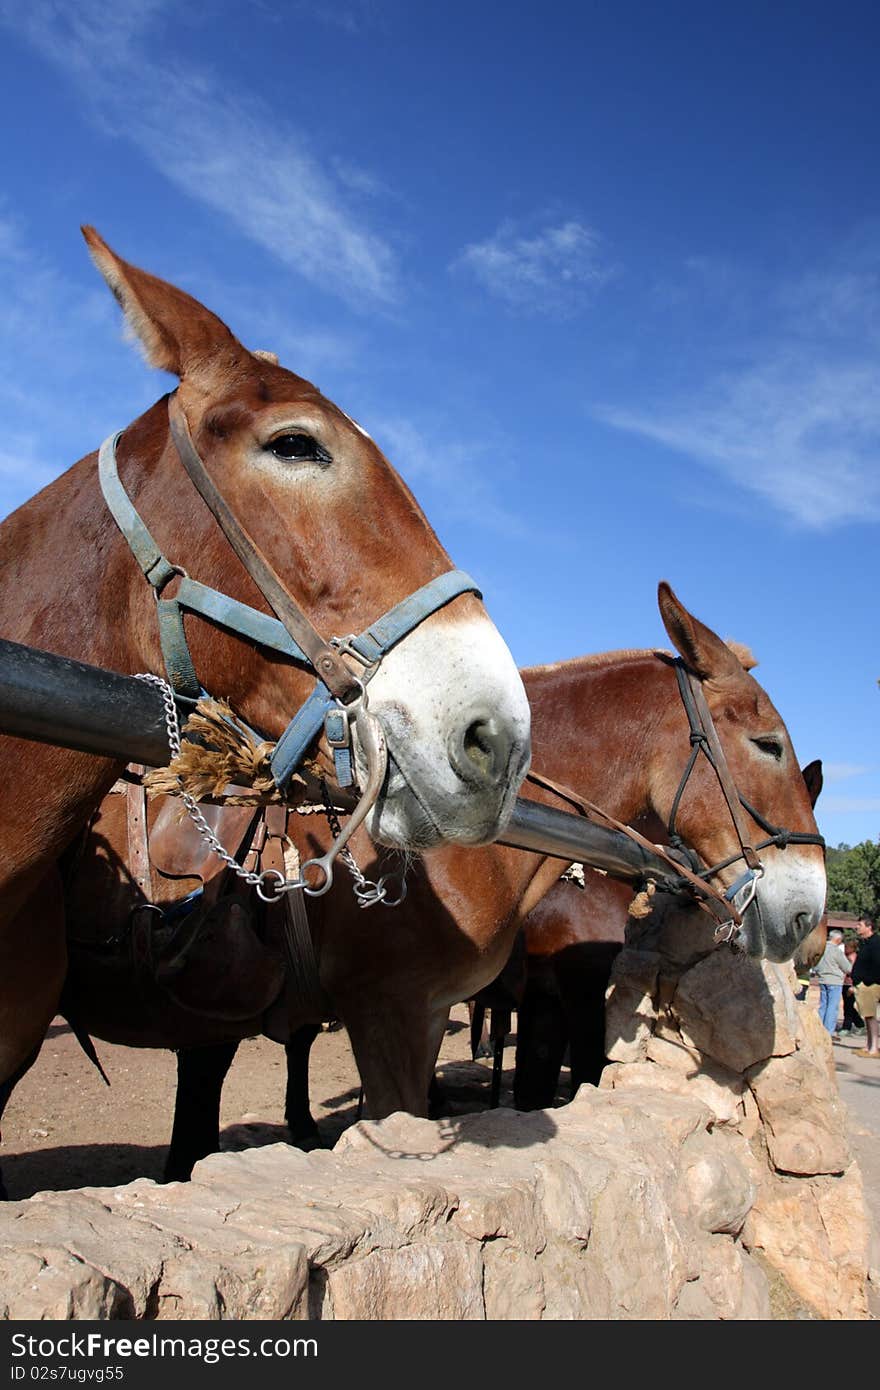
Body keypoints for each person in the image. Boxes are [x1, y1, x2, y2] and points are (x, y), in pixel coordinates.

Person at [851, 918, 880, 1058]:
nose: (857, 927)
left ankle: (874, 1047)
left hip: (870, 985)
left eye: (860, 925)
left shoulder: (875, 943)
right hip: (862, 984)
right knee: (867, 1017)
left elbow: (877, 964)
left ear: (869, 927)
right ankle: (869, 1044)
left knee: (871, 1016)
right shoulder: (865, 943)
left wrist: (867, 981)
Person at [814, 929, 851, 1037]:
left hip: (822, 979)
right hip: (835, 981)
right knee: (832, 1007)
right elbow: (847, 967)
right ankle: (828, 1032)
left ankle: (819, 1029)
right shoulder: (836, 951)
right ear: (838, 939)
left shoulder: (821, 949)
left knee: (823, 1005)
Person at [840, 941, 864, 1035]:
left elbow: (853, 971)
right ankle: (859, 1023)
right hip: (845, 983)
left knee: (848, 1006)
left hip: (851, 984)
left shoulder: (853, 957)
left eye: (847, 947)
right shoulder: (846, 956)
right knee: (847, 1005)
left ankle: (847, 1026)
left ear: (853, 948)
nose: (845, 949)